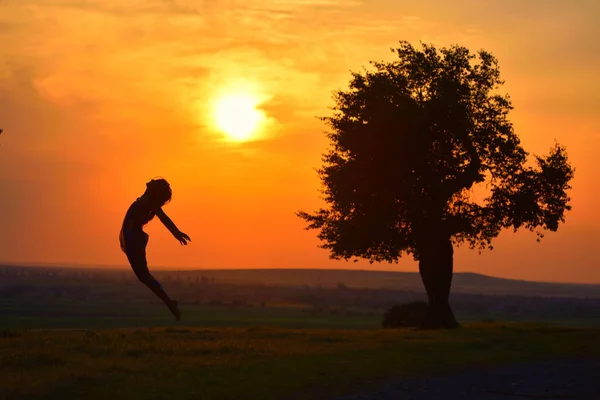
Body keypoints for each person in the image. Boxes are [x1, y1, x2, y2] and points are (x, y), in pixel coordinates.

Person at [119, 178, 191, 321]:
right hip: (131, 237)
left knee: (144, 277)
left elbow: (164, 219)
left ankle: (170, 304)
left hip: (133, 238)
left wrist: (177, 233)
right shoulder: (145, 201)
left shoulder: (147, 202)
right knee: (144, 277)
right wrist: (176, 233)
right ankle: (170, 304)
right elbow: (162, 217)